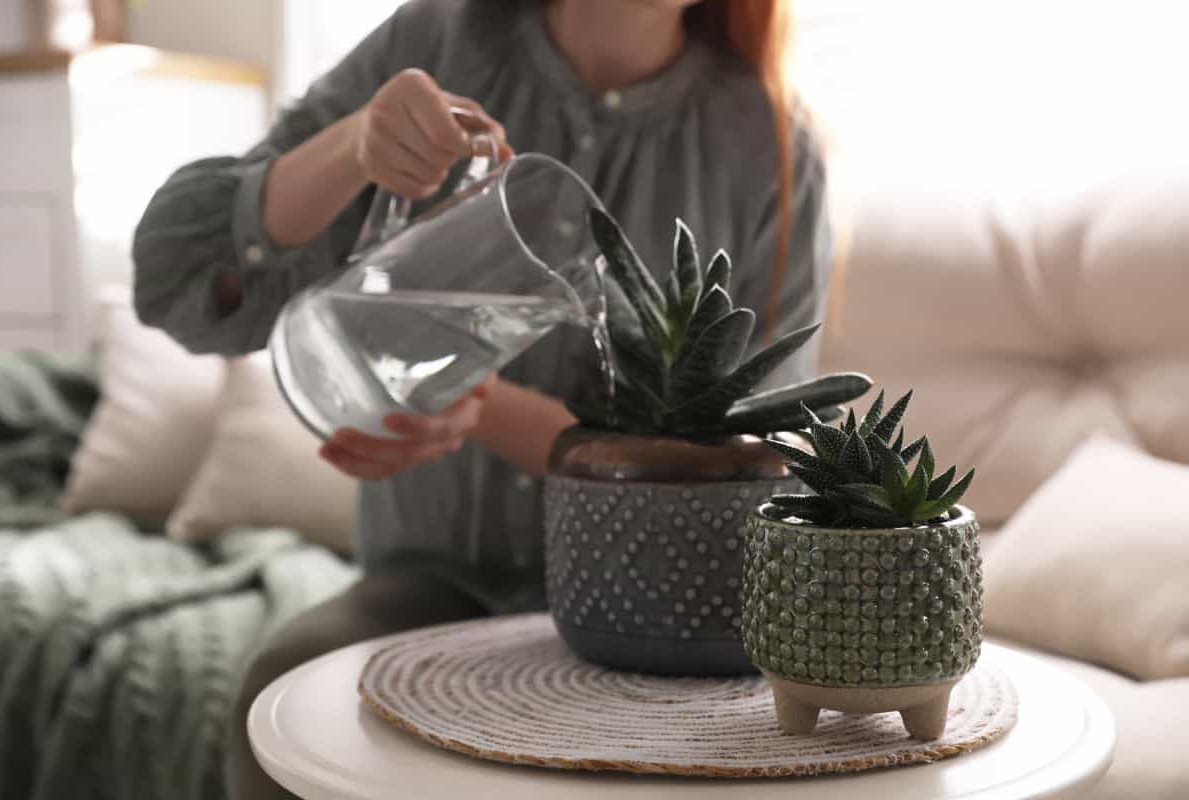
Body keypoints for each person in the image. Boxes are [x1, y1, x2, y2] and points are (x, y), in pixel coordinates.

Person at [132, 0, 832, 796]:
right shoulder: (437, 41)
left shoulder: (771, 146)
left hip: (658, 615)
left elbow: (762, 472)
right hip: (427, 587)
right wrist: (354, 144)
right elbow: (175, 283)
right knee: (283, 690)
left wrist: (475, 405)